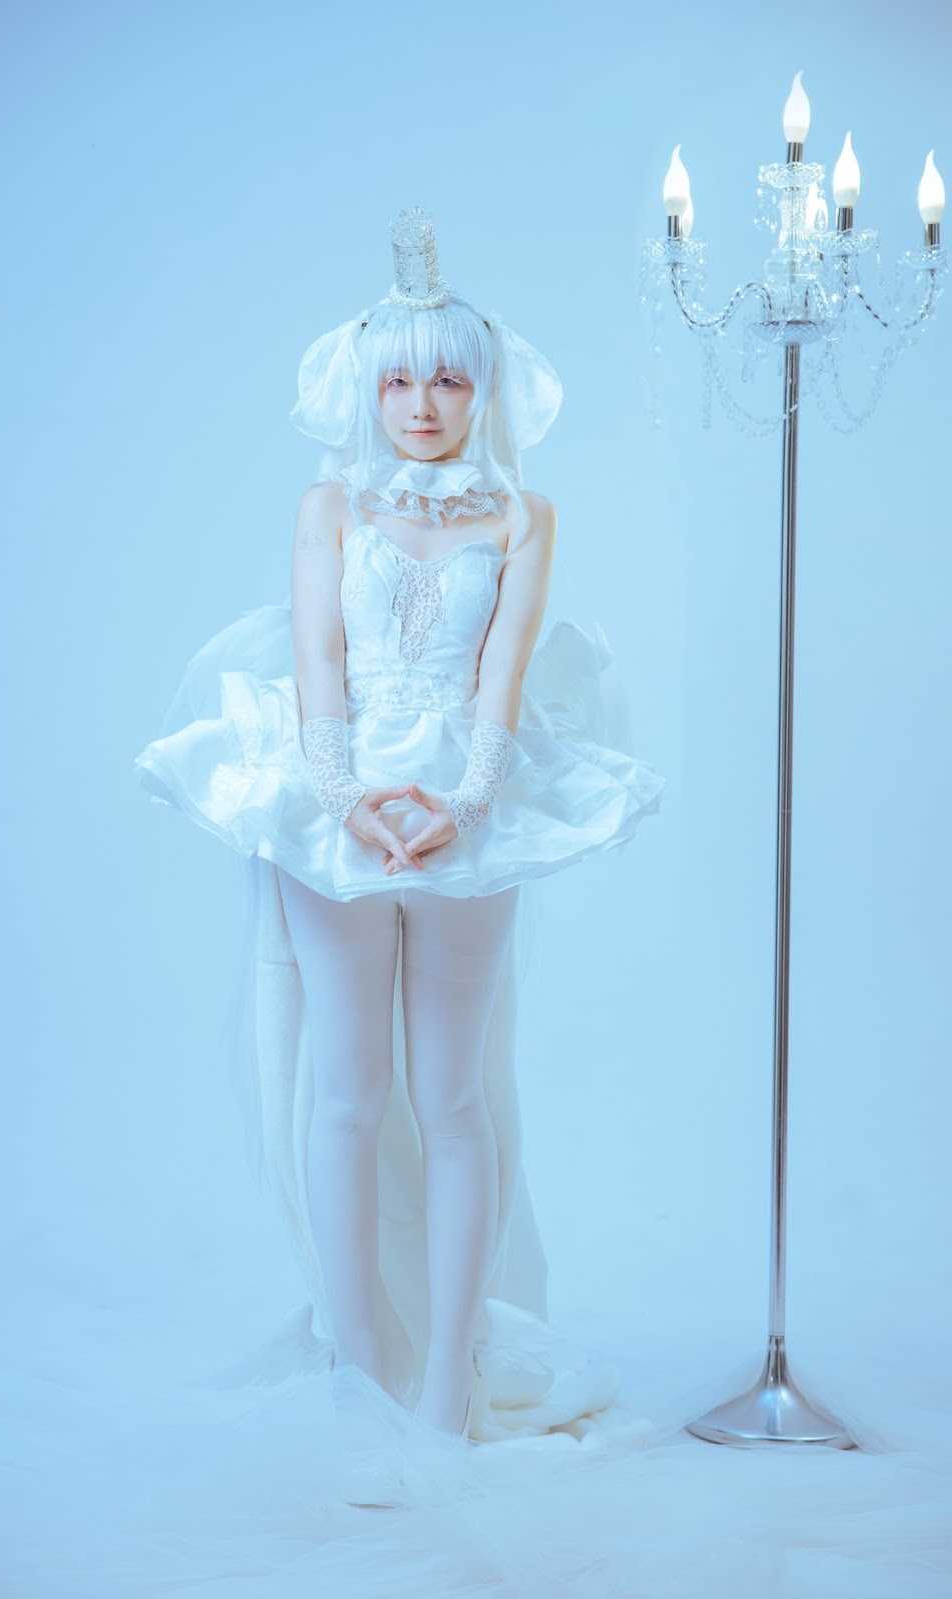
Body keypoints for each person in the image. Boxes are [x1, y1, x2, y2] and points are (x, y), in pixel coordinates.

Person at [133, 206, 667, 1497]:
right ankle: (358, 1367)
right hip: (340, 796)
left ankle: (443, 1392)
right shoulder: (330, 504)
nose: (422, 403)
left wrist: (465, 801)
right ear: (367, 389)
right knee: (345, 1093)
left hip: (466, 800)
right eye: (399, 380)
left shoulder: (523, 514)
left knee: (458, 1096)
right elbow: (318, 653)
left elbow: (505, 672)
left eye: (447, 381)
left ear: (483, 390)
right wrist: (344, 793)